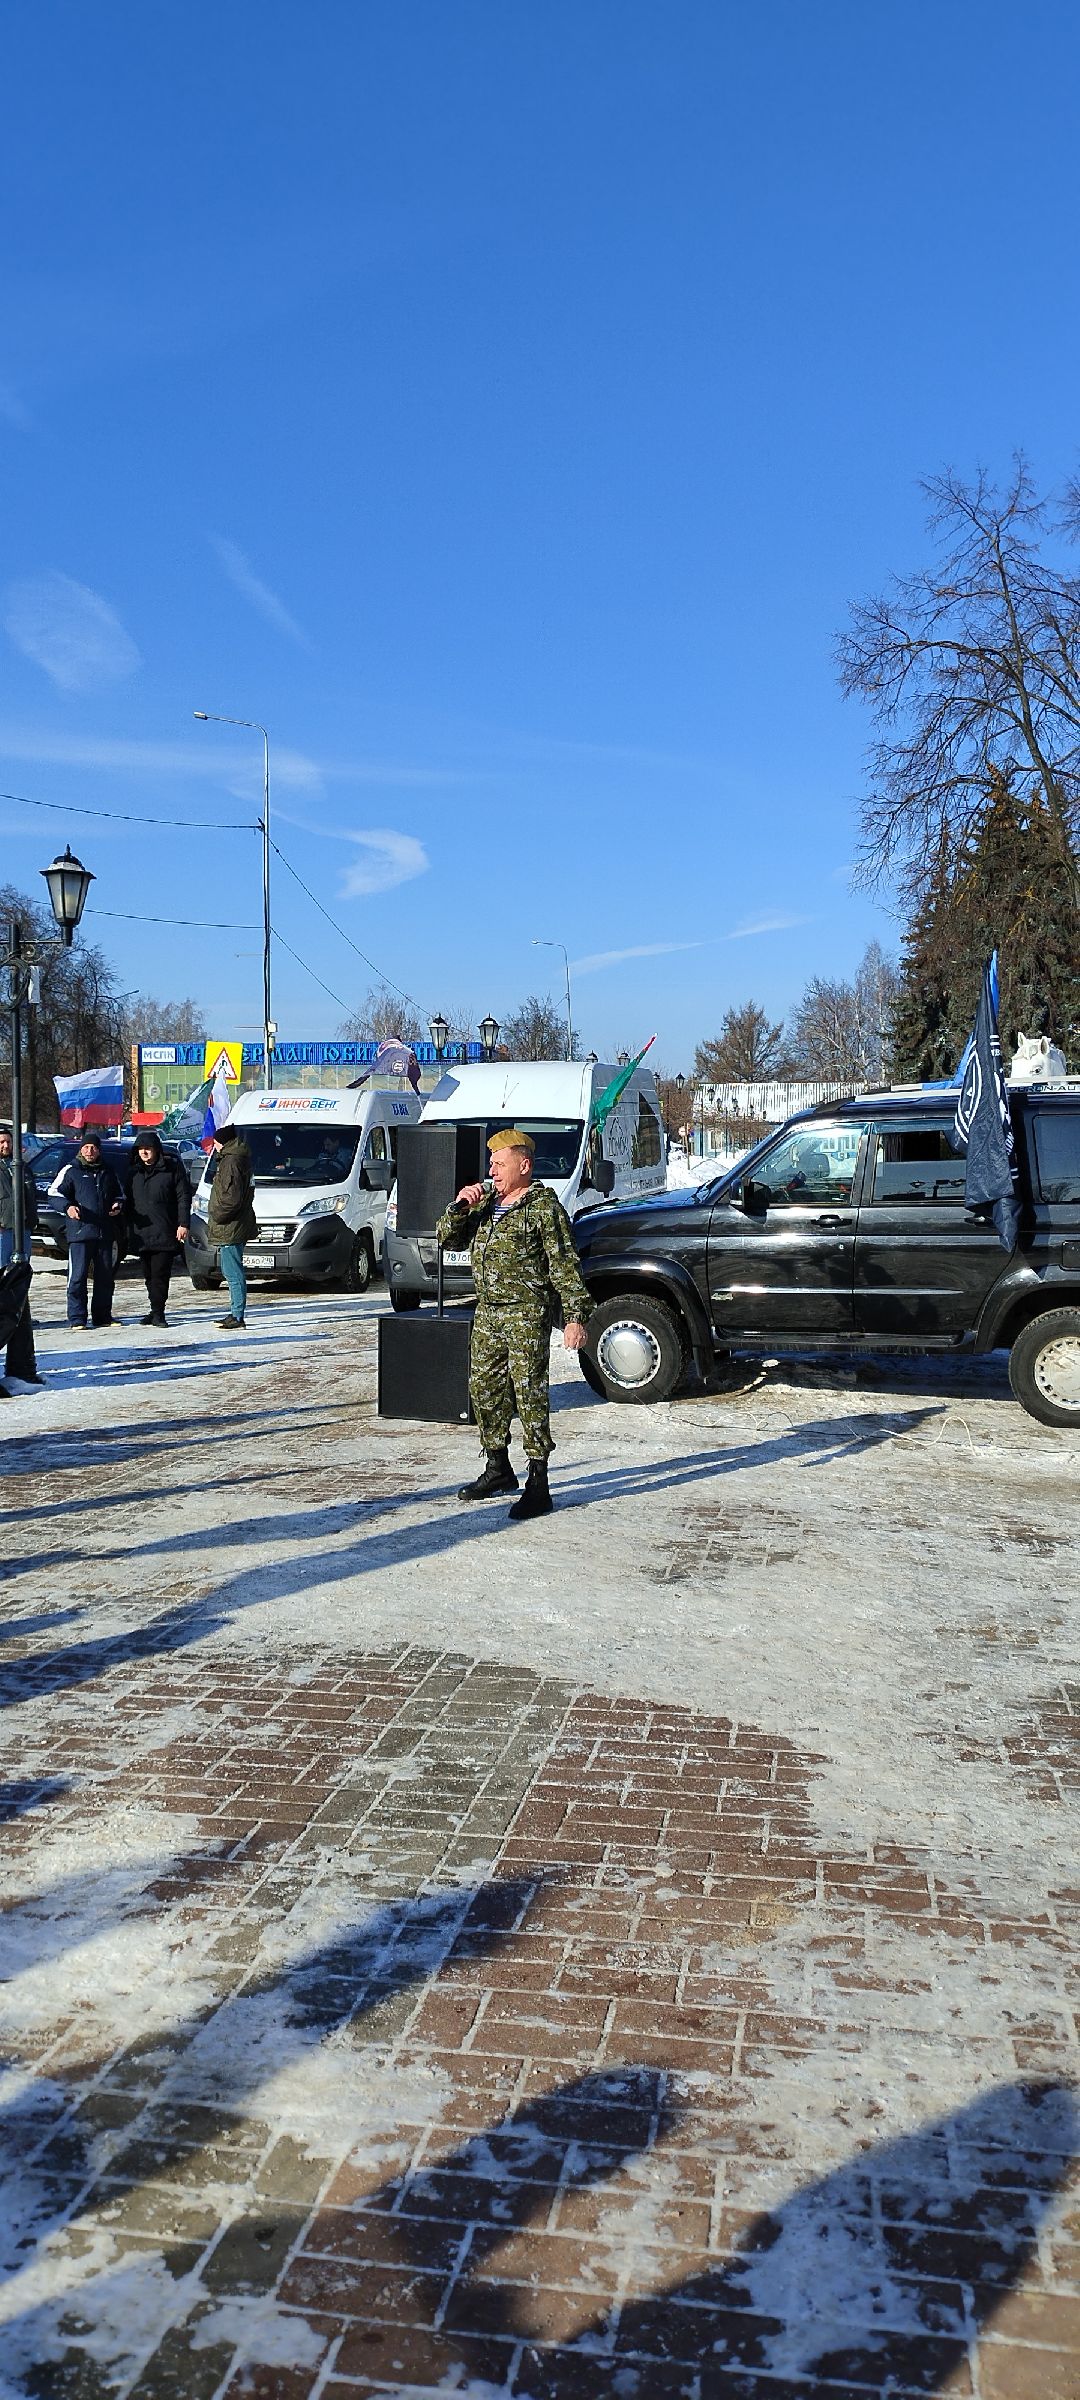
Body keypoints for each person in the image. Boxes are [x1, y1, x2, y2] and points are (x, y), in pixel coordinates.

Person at [436, 1127, 593, 1522]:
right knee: (485, 1390)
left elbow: (565, 1266)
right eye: (491, 1164)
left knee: (529, 1396)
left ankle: (538, 1483)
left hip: (526, 1315)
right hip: (488, 1313)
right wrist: (460, 1206)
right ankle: (497, 1467)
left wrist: (575, 1317)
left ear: (523, 1166)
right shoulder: (487, 1203)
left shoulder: (543, 1208)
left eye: (500, 1164)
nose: (493, 1170)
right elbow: (447, 1241)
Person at [54, 1131, 125, 1330]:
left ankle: (102, 1316)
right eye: (86, 1147)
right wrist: (67, 1207)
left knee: (104, 1278)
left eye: (93, 1147)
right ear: (81, 1149)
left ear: (98, 1150)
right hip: (80, 1233)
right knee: (77, 1277)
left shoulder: (107, 1171)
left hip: (104, 1233)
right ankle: (77, 1318)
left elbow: (120, 1194)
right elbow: (54, 1193)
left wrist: (118, 1205)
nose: (89, 1151)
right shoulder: (71, 1170)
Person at [125, 1131, 190, 1327]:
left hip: (165, 1230)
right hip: (142, 1233)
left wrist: (184, 1223)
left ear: (156, 1150)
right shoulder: (133, 1172)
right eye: (141, 1149)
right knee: (148, 1275)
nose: (144, 1152)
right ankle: (153, 1310)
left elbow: (183, 1198)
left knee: (160, 1275)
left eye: (148, 1148)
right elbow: (127, 1199)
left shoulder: (172, 1169)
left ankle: (159, 1313)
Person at [205, 1120, 257, 1328]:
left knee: (233, 1272)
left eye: (216, 1141)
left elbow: (231, 1199)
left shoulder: (231, 1162)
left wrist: (217, 1216)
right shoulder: (236, 1159)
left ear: (223, 1142)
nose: (214, 1145)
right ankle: (235, 1313)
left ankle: (237, 1315)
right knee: (231, 1271)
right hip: (235, 1224)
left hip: (230, 1225)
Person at [0, 1127, 38, 1269]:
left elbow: (31, 1195)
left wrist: (32, 1220)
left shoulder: (21, 1167)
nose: (6, 1145)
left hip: (23, 1228)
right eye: (2, 1142)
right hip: (3, 1229)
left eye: (9, 1142)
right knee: (3, 1271)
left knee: (21, 1271)